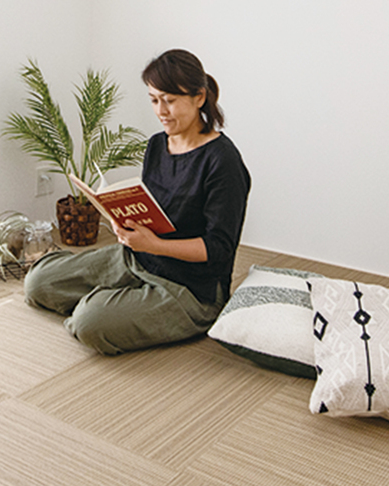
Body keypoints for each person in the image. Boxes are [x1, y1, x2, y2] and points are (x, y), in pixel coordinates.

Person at [24, 49, 251, 355]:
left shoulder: (223, 161)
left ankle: (103, 307)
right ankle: (114, 301)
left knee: (89, 324)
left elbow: (219, 249)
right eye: (154, 100)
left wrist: (155, 245)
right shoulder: (157, 145)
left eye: (169, 100)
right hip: (137, 259)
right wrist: (124, 224)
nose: (161, 111)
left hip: (191, 288)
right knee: (38, 283)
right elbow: (152, 209)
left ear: (199, 97)